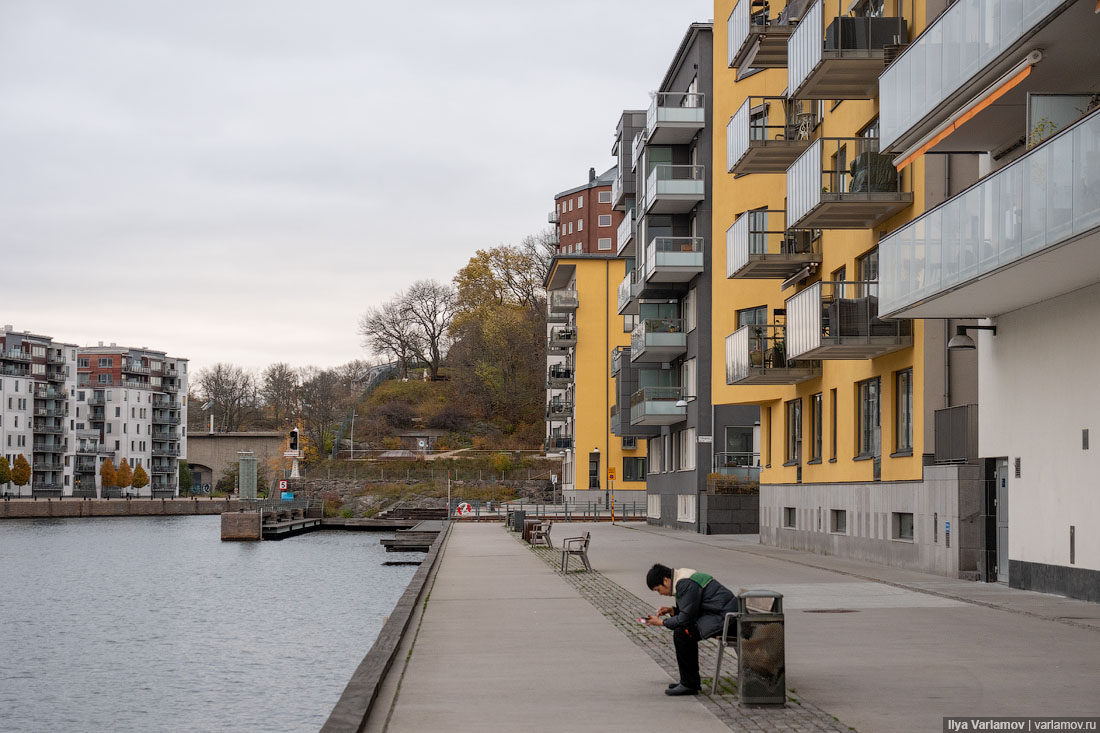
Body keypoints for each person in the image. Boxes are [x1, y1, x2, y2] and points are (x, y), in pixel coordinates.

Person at [643, 562, 737, 696]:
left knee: (683, 634)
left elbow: (686, 618)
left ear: (666, 580)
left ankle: (689, 684)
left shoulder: (684, 583)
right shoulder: (682, 579)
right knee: (683, 632)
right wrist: (672, 610)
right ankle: (688, 681)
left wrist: (662, 623)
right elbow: (690, 609)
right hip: (720, 615)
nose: (660, 594)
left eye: (658, 589)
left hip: (725, 619)